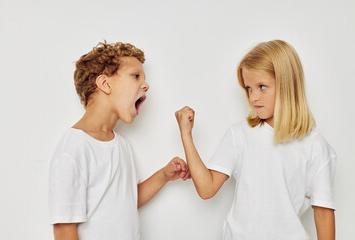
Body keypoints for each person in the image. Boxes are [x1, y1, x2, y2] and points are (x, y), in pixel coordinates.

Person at [175, 40, 336, 240]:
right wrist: (186, 135)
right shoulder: (240, 134)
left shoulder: (316, 147)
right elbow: (207, 189)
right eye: (249, 88)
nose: (253, 97)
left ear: (287, 85)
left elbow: (323, 213)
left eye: (262, 87)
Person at [49, 41, 190, 240]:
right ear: (105, 84)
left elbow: (127, 200)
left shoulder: (121, 145)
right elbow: (64, 229)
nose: (146, 85)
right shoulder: (74, 148)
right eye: (136, 76)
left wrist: (164, 175)